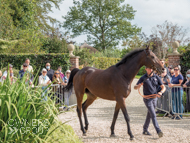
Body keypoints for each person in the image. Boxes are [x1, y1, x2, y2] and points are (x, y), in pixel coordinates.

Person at [134, 67, 165, 138]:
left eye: (152, 68)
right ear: (146, 69)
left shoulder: (156, 77)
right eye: (149, 68)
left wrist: (161, 92)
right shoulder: (143, 77)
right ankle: (158, 131)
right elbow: (135, 87)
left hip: (155, 98)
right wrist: (138, 86)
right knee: (153, 114)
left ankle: (145, 129)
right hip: (147, 99)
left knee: (150, 114)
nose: (151, 69)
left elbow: (163, 87)